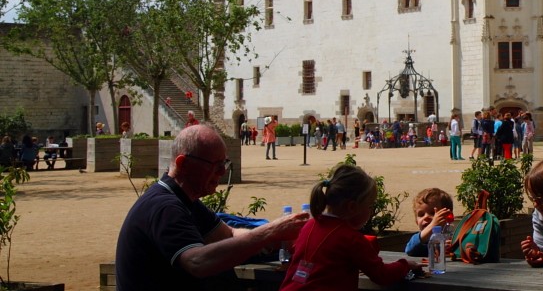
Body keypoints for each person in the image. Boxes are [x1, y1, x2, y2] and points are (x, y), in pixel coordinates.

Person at [116, 124, 308, 291]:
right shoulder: (165, 207)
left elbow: (228, 234)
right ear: (183, 163)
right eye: (215, 165)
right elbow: (197, 262)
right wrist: (268, 232)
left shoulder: (184, 199)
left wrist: (275, 239)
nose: (222, 171)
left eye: (224, 163)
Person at [279, 163, 419, 290]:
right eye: (369, 206)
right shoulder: (350, 238)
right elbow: (381, 274)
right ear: (352, 207)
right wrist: (405, 265)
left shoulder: (310, 225)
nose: (370, 212)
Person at [405, 188, 454, 257]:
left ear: (448, 216)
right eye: (421, 215)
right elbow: (409, 250)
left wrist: (455, 246)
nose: (426, 217)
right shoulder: (421, 239)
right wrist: (432, 225)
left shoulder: (453, 236)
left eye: (433, 213)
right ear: (416, 221)